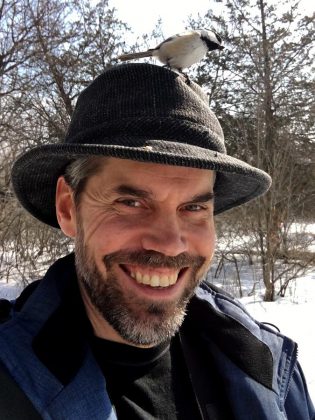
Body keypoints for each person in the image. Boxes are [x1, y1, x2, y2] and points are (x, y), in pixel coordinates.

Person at [0, 63, 313, 420]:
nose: (170, 245)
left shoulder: (266, 364)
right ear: (68, 208)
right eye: (131, 203)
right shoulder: (10, 379)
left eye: (193, 207)